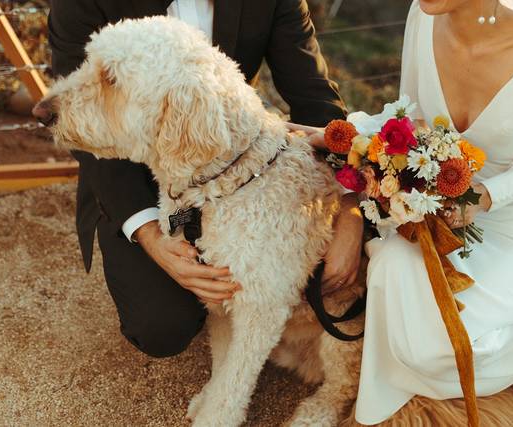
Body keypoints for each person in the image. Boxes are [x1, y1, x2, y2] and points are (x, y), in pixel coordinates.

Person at [298, 0, 513, 424]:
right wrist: (340, 135)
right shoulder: (423, 17)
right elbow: (410, 114)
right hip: (442, 217)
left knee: (438, 350)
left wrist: (486, 195)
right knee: (391, 267)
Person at [48, 0, 363, 358]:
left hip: (237, 166)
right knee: (161, 327)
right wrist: (151, 236)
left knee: (328, 275)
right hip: (131, 179)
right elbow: (76, 121)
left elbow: (315, 98)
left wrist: (350, 209)